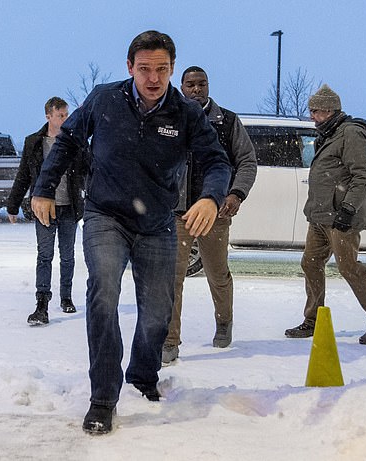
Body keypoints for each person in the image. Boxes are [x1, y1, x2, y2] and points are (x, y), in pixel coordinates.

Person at [30, 31, 231, 434]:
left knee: (158, 311)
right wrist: (44, 187)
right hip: (106, 215)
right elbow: (67, 140)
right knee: (103, 291)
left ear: (172, 69)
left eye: (161, 69)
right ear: (129, 68)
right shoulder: (104, 100)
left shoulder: (186, 113)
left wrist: (211, 197)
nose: (153, 78)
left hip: (158, 223)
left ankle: (143, 375)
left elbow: (217, 161)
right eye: (144, 69)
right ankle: (103, 397)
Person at [284, 84, 366, 345]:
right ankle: (314, 320)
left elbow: (363, 177)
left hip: (341, 218)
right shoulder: (328, 133)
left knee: (350, 268)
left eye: (315, 111)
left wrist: (347, 209)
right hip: (320, 217)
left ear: (328, 110)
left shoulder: (351, 134)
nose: (311, 116)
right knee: (310, 263)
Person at [162, 66, 257, 364]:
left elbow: (247, 162)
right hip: (177, 213)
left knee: (217, 273)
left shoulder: (226, 122)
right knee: (172, 278)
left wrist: (235, 193)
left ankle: (224, 321)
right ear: (181, 86)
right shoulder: (168, 120)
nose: (196, 89)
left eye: (201, 84)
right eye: (190, 84)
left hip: (214, 212)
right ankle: (170, 340)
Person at [6, 97, 85, 326]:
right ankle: (42, 303)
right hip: (43, 210)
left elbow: (89, 170)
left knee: (68, 255)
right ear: (48, 116)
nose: (65, 119)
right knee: (45, 255)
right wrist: (13, 205)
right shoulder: (34, 143)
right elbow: (23, 176)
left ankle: (66, 296)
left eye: (66, 115)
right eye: (61, 115)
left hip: (69, 207)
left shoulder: (75, 141)